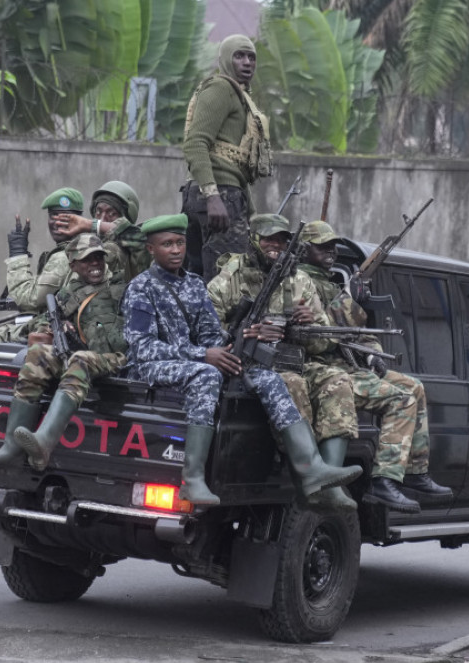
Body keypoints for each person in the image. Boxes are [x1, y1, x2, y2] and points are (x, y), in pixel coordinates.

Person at [121, 214, 360, 506]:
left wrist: (233, 347)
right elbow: (141, 346)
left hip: (193, 362)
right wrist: (203, 355)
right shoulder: (141, 287)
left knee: (265, 375)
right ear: (150, 249)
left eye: (180, 243)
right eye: (167, 244)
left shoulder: (195, 285)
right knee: (207, 375)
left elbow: (211, 334)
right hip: (148, 366)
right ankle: (192, 478)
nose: (175, 250)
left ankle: (310, 468)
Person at [298, 221, 454, 510]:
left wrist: (373, 355)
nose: (330, 251)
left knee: (414, 387)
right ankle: (384, 482)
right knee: (401, 400)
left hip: (347, 364)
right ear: (304, 250)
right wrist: (351, 301)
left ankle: (416, 472)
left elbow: (360, 333)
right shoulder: (299, 282)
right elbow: (320, 334)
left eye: (332, 246)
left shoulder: (330, 282)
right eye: (322, 246)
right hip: (320, 367)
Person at [0, 235, 128, 471]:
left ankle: (44, 441)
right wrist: (51, 328)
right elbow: (41, 320)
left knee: (80, 360)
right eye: (87, 260)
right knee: (38, 355)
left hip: (114, 357)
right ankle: (10, 447)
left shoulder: (119, 286)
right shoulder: (69, 293)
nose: (95, 264)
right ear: (73, 265)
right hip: (81, 354)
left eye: (99, 258)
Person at [181, 34, 273, 281]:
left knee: (202, 280)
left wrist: (247, 208)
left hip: (226, 194)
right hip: (216, 195)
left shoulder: (239, 96)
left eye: (251, 57)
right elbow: (195, 143)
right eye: (239, 56)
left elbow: (235, 165)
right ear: (224, 59)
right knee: (227, 281)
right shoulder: (221, 88)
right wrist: (212, 196)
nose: (247, 63)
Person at [54, 180, 150, 281]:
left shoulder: (135, 247)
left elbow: (139, 238)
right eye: (98, 212)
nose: (102, 219)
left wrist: (93, 225)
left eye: (112, 214)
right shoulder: (84, 245)